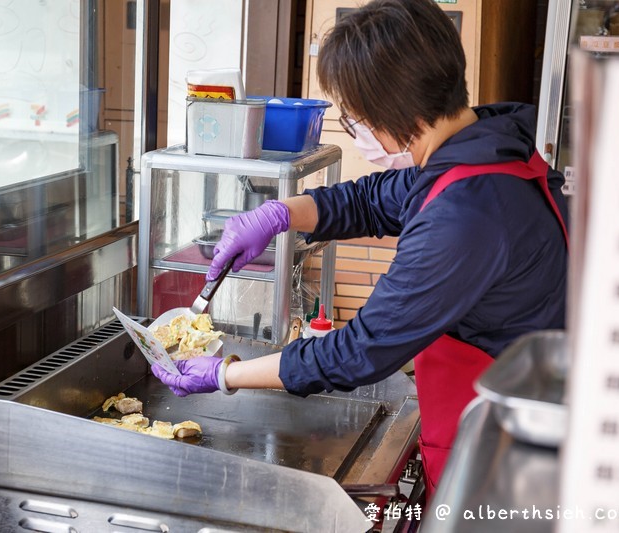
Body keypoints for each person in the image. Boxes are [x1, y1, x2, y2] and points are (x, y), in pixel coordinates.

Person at [151, 0, 568, 497]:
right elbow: (370, 199)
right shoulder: (483, 147)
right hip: (494, 424)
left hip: (501, 463)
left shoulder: (467, 217)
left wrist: (226, 374)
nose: (356, 130)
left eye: (355, 118)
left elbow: (360, 353)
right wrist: (279, 214)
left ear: (394, 108)